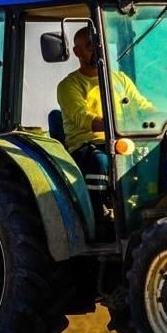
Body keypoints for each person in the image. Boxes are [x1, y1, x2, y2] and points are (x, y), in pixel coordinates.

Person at [56, 26, 154, 234]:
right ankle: (101, 219)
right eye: (91, 46)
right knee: (100, 161)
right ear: (77, 52)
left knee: (152, 158)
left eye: (99, 45)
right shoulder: (69, 85)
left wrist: (159, 115)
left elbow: (142, 106)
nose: (98, 50)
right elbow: (83, 118)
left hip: (122, 141)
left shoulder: (120, 80)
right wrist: (113, 124)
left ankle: (146, 211)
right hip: (87, 146)